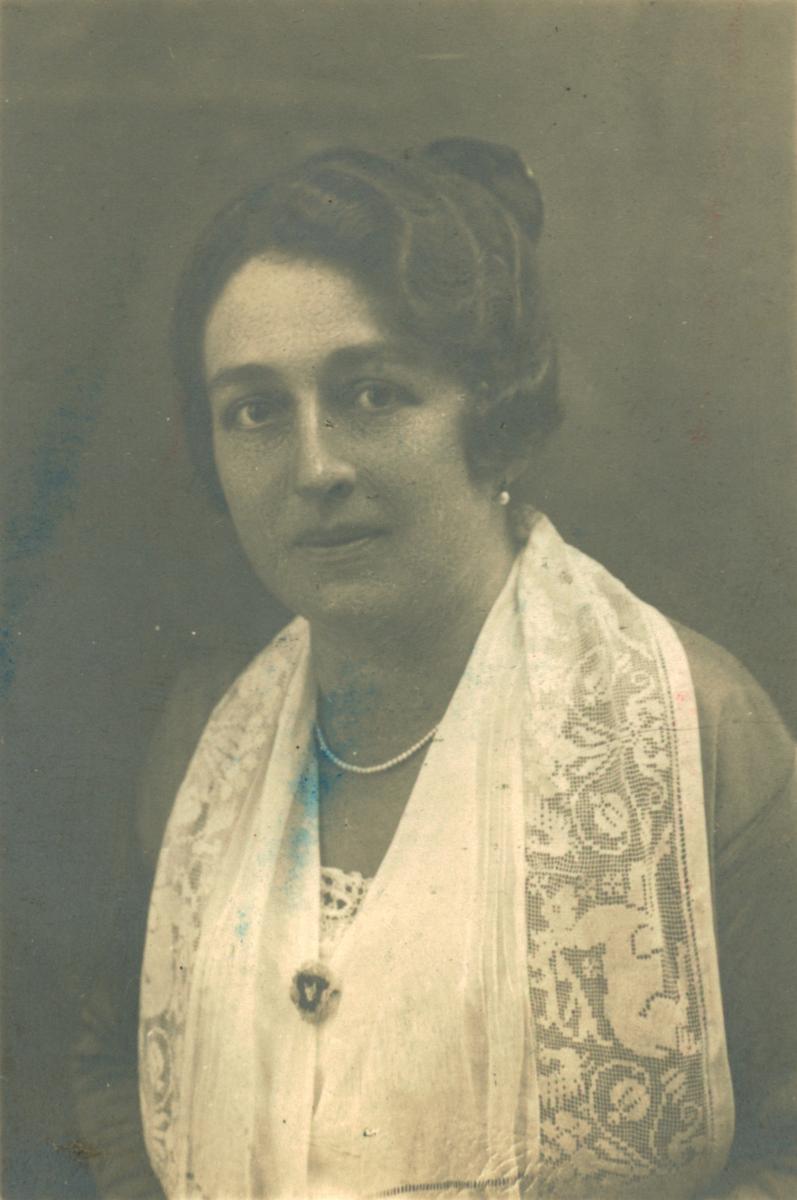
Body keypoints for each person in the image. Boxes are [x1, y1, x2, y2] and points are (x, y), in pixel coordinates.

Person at [73, 139, 796, 1199]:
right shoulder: (206, 732)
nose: (316, 465)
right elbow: (112, 1059)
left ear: (489, 416)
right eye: (256, 410)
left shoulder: (698, 729)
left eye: (371, 393)